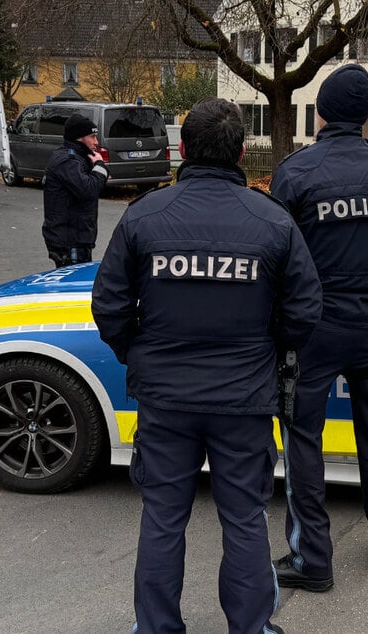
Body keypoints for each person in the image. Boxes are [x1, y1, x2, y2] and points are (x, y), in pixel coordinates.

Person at [92, 98, 321, 634]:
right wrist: (267, 351)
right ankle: (251, 628)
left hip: (166, 399)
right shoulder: (272, 220)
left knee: (163, 520)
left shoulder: (146, 214)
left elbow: (109, 305)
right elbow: (305, 311)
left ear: (182, 149)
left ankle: (155, 629)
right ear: (242, 151)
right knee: (244, 519)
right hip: (243, 399)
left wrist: (141, 352)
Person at [270, 64, 368, 590]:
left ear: (324, 112)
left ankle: (312, 560)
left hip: (311, 332)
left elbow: (276, 258)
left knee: (302, 440)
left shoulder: (296, 172)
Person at [41, 114, 108, 267]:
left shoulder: (77, 158)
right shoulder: (67, 161)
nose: (96, 142)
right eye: (92, 137)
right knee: (72, 285)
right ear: (79, 138)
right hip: (70, 242)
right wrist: (100, 166)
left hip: (77, 239)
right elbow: (89, 189)